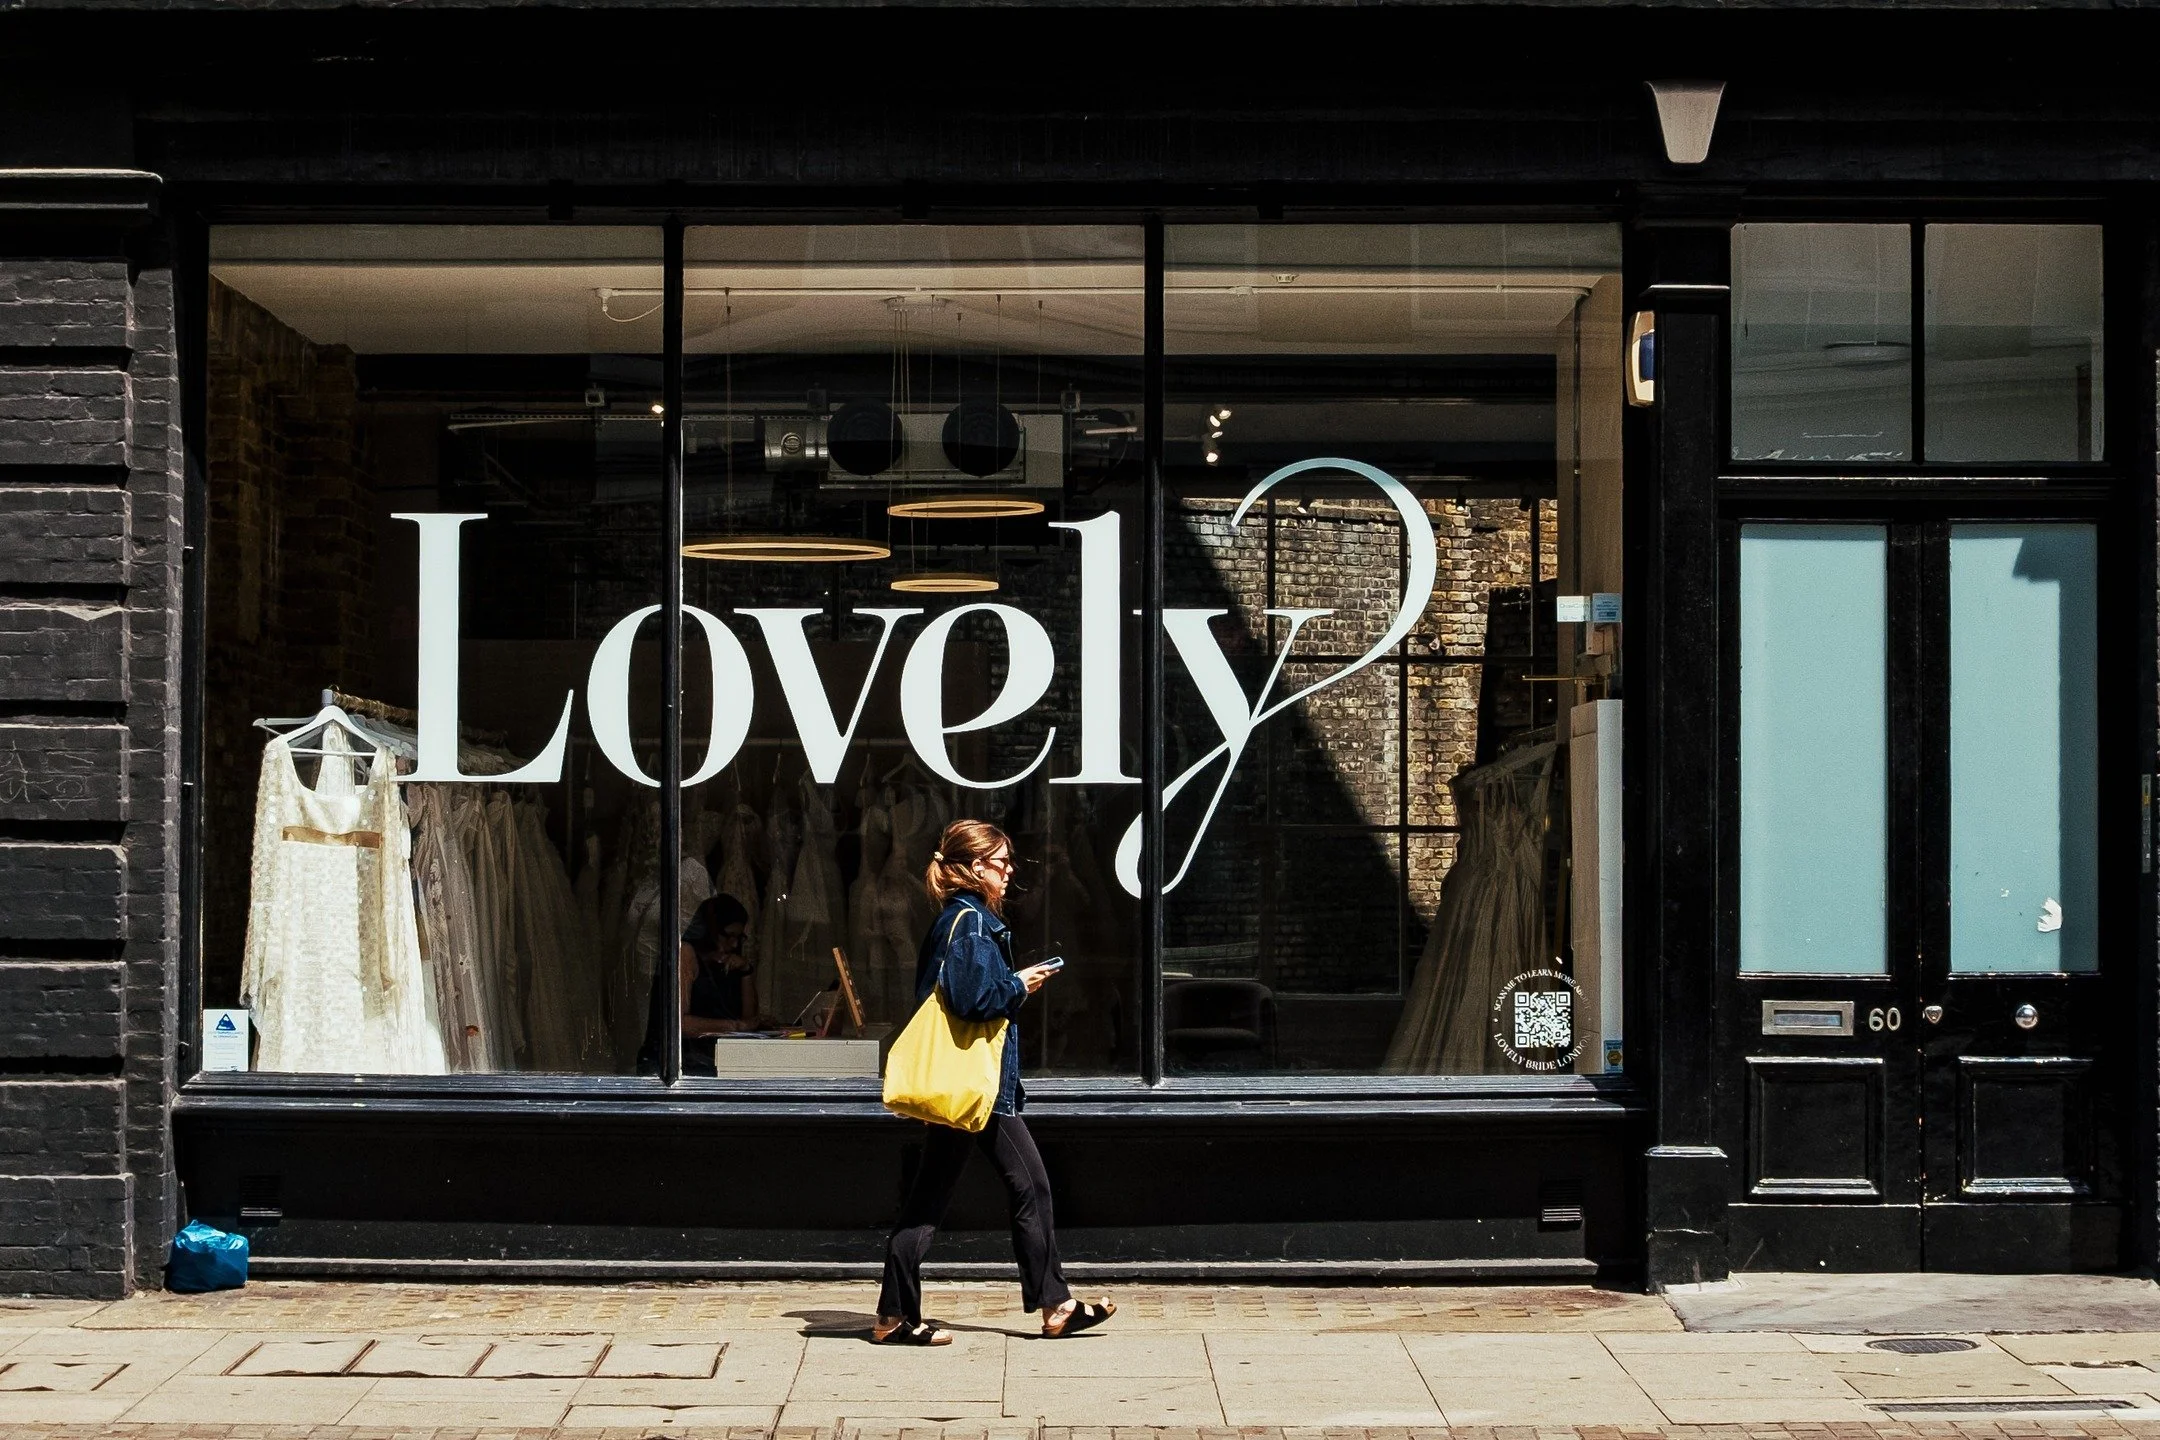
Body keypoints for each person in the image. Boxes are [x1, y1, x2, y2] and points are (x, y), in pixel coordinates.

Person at [873, 820, 1117, 1345]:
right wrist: (1018, 983)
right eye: (1002, 863)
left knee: (929, 1199)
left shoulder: (956, 919)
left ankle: (894, 1315)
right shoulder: (972, 922)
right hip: (977, 1085)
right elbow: (972, 1000)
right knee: (1032, 1186)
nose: (1009, 873)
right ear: (976, 867)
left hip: (961, 1083)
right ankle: (1057, 1305)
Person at [641, 892, 770, 1077]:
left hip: (715, 1061)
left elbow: (748, 1017)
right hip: (679, 1065)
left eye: (739, 938)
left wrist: (745, 971)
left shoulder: (725, 963)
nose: (734, 944)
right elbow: (680, 1023)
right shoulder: (685, 954)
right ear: (712, 931)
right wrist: (736, 1027)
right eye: (728, 936)